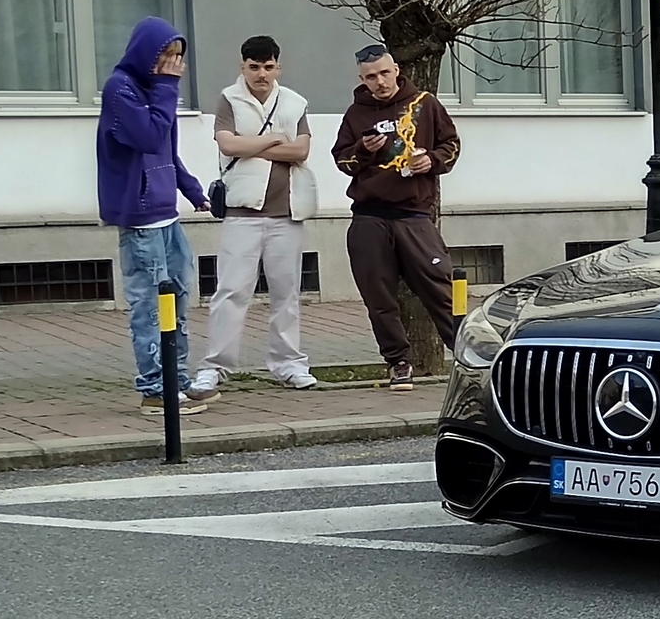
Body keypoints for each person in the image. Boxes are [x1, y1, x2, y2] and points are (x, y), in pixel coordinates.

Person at [96, 16, 216, 416]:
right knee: (150, 305)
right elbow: (147, 136)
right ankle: (154, 388)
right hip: (141, 216)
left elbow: (166, 148)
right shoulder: (121, 89)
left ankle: (177, 379)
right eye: (166, 55)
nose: (173, 65)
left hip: (167, 215)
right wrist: (167, 88)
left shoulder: (157, 92)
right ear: (146, 53)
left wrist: (193, 191)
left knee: (178, 299)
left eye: (178, 57)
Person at [192, 35, 319, 394]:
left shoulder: (294, 102)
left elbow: (302, 150)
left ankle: (289, 364)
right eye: (253, 67)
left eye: (267, 66)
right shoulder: (230, 99)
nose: (261, 74)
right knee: (231, 291)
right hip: (242, 211)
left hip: (288, 211)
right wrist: (275, 140)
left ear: (278, 66)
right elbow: (229, 143)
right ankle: (215, 366)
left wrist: (255, 145)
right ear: (242, 66)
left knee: (286, 292)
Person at [332, 43, 462, 392]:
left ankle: (466, 354)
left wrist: (431, 161)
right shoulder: (355, 114)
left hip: (414, 216)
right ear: (362, 79)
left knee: (440, 288)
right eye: (371, 77)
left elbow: (452, 145)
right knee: (378, 296)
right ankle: (398, 363)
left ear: (395, 71)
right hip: (368, 217)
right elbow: (342, 161)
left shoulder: (425, 104)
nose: (379, 82)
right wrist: (362, 150)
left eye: (384, 73)